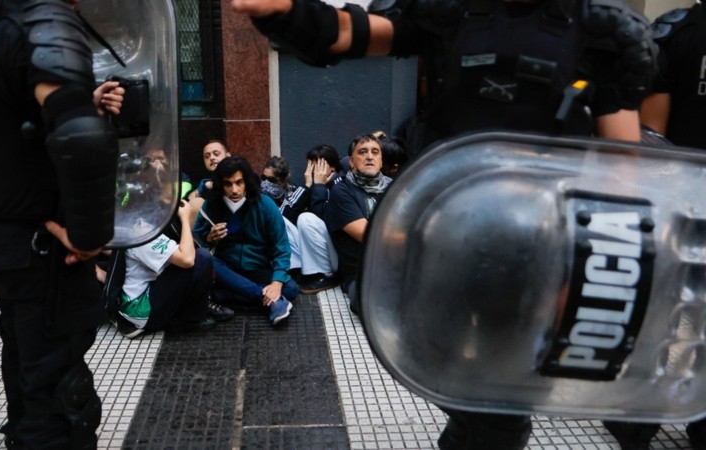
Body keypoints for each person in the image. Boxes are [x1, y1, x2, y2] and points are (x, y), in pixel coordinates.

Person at [230, 0, 657, 448]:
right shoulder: (449, 13)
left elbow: (620, 178)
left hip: (541, 255)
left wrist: (595, 271)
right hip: (448, 246)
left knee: (501, 413)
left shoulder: (603, 33)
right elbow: (350, 32)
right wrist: (287, 13)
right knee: (469, 399)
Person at [0, 0, 124, 447]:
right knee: (58, 403)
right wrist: (87, 235)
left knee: (26, 361)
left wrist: (82, 101)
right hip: (39, 243)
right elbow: (80, 138)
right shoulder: (46, 22)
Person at [603, 4, 706, 450]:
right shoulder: (681, 32)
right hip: (684, 197)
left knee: (662, 305)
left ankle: (638, 419)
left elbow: (653, 135)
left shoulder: (679, 32)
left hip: (682, 196)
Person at [102, 200, 234, 339]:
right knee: (202, 258)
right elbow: (187, 259)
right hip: (142, 310)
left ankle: (198, 306)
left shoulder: (127, 225)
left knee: (185, 258)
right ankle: (191, 320)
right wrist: (185, 219)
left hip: (139, 295)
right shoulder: (141, 232)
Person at [193, 156, 299, 326]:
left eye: (239, 183)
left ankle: (236, 295)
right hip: (226, 271)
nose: (234, 190)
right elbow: (195, 243)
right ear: (221, 185)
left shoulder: (265, 204)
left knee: (291, 288)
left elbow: (282, 247)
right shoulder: (212, 206)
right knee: (206, 259)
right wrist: (209, 237)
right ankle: (270, 300)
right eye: (228, 184)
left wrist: (277, 282)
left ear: (247, 182)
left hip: (257, 269)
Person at [325, 134, 392, 313]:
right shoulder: (342, 191)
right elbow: (369, 235)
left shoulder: (394, 188)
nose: (369, 156)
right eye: (362, 152)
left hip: (397, 267)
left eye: (375, 152)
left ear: (380, 160)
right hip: (363, 275)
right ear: (352, 162)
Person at [297, 144, 343, 294]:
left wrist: (319, 186)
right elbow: (286, 216)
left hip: (341, 256)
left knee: (306, 219)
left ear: (332, 168)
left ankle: (326, 274)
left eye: (319, 166)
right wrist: (308, 186)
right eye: (311, 166)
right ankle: (308, 272)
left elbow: (321, 219)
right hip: (328, 250)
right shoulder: (313, 185)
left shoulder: (340, 185)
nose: (314, 171)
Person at [260, 155, 309, 274]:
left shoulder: (292, 191)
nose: (265, 183)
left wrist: (306, 187)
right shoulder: (259, 193)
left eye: (271, 180)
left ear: (283, 179)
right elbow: (279, 216)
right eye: (263, 177)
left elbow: (289, 213)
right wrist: (306, 187)